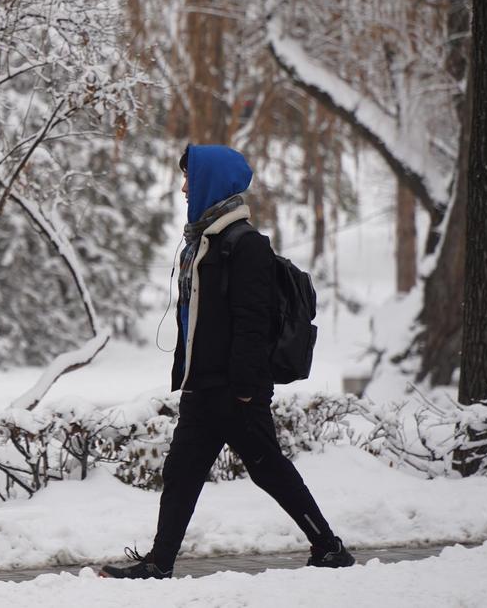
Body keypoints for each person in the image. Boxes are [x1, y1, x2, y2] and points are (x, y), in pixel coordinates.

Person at [101, 145, 354, 580]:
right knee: (182, 471)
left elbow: (251, 321)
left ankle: (329, 547)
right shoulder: (203, 242)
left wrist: (243, 386)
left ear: (210, 183)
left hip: (237, 388)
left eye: (189, 179)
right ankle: (160, 563)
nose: (183, 188)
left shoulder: (245, 245)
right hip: (205, 385)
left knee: (268, 469)